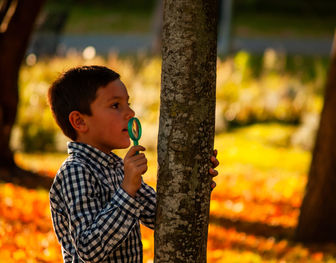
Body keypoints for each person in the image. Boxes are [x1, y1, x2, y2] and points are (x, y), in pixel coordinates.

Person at [48, 65, 219, 263]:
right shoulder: (75, 171)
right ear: (79, 121)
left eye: (127, 104)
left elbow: (162, 216)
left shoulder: (118, 168)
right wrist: (127, 190)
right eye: (115, 106)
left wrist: (195, 179)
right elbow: (88, 249)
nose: (130, 112)